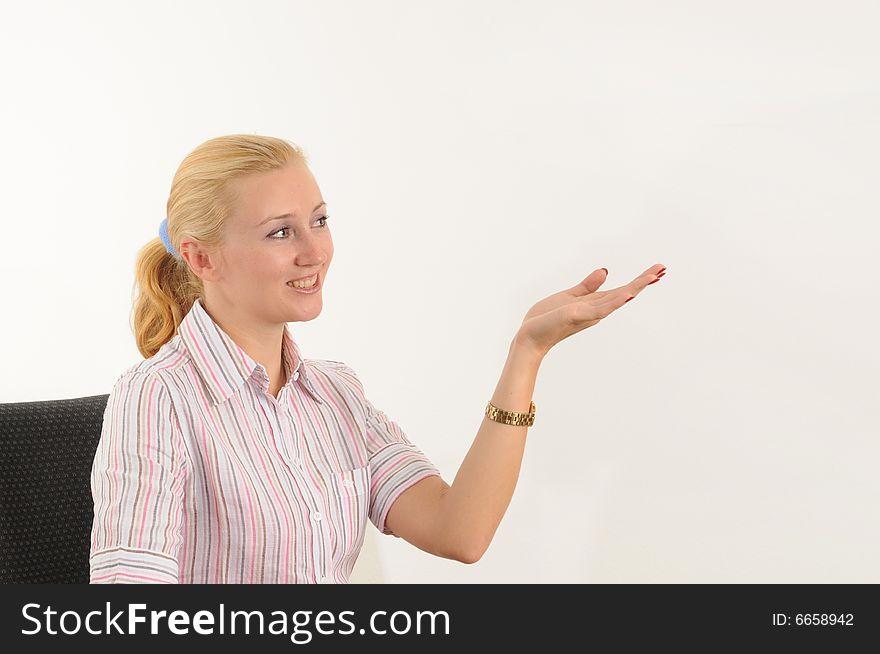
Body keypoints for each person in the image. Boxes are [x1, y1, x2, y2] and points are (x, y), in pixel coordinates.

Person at [89, 133, 666, 583]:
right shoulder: (157, 397)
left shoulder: (335, 395)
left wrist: (527, 354)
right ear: (202, 258)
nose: (315, 251)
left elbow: (457, 531)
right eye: (279, 232)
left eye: (318, 220)